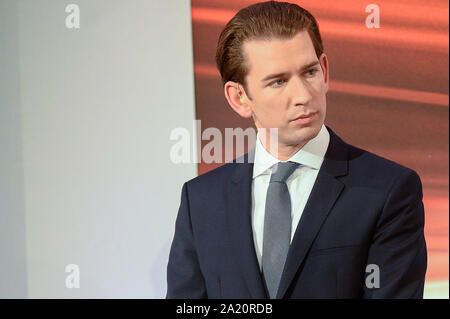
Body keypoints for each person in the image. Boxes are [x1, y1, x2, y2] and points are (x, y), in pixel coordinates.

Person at [166, 1, 427, 299]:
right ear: (239, 97)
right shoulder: (201, 201)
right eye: (278, 81)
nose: (303, 95)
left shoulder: (388, 190)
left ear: (325, 71)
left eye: (309, 72)